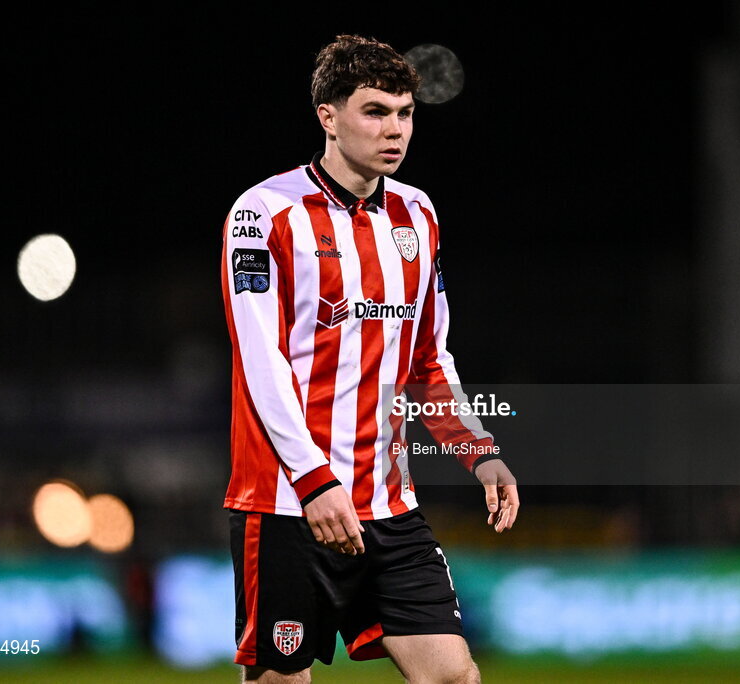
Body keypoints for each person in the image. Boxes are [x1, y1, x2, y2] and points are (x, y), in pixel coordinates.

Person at [220, 34, 518, 684]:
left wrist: (478, 450)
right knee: (280, 681)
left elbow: (428, 359)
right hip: (288, 505)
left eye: (405, 113)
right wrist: (313, 480)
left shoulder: (418, 214)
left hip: (389, 502)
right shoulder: (264, 213)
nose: (395, 129)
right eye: (375, 111)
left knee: (454, 676)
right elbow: (260, 360)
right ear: (328, 116)